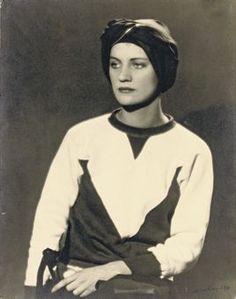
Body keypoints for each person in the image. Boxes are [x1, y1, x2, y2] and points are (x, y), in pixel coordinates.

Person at [24, 18, 214, 299]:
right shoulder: (82, 137)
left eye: (138, 64)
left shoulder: (192, 150)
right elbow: (48, 222)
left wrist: (113, 269)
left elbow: (188, 245)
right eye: (115, 64)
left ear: (161, 69)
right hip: (73, 285)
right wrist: (32, 290)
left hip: (147, 288)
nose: (123, 76)